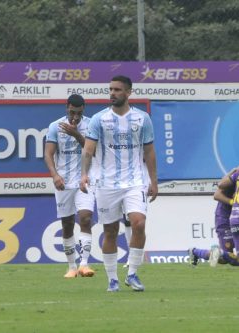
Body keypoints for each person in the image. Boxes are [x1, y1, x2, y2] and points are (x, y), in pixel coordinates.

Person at [80, 75, 158, 292]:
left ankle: (132, 273)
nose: (112, 93)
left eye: (117, 90)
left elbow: (149, 151)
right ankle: (112, 279)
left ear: (128, 92)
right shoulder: (99, 119)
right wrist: (83, 174)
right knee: (111, 231)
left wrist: (154, 180)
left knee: (139, 223)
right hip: (106, 183)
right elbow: (88, 150)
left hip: (136, 181)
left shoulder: (142, 119)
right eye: (110, 89)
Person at [45, 94, 96, 278]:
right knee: (67, 224)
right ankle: (71, 267)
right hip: (64, 182)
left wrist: (76, 134)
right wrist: (55, 175)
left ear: (84, 110)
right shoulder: (55, 126)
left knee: (85, 217)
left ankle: (84, 265)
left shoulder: (91, 125)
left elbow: (94, 151)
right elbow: (49, 154)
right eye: (72, 112)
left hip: (85, 179)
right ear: (67, 107)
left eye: (79, 113)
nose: (75, 116)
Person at [189, 167, 239, 267]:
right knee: (225, 258)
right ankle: (195, 252)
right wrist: (233, 202)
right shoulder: (235, 179)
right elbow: (216, 195)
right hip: (224, 218)